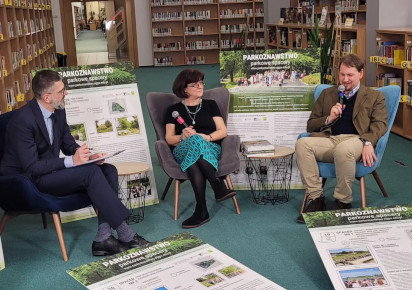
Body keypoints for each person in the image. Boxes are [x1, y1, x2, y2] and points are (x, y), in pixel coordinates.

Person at [0, 70, 149, 255]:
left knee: (107, 169)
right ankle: (125, 232)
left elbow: (68, 143)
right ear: (47, 97)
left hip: (50, 172)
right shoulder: (22, 121)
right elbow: (32, 168)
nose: (66, 93)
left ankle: (103, 237)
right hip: (28, 181)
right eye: (61, 91)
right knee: (91, 173)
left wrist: (88, 156)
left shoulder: (58, 111)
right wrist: (72, 161)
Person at [295, 54, 388, 223]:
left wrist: (367, 142)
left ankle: (343, 201)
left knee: (343, 150)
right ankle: (317, 199)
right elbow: (311, 125)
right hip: (330, 139)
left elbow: (380, 124)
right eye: (342, 74)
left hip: (356, 140)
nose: (345, 79)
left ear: (360, 73)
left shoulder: (375, 96)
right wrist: (329, 119)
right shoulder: (327, 94)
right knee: (302, 144)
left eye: (350, 75)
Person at [165, 69, 236, 229]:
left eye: (201, 82)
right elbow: (169, 138)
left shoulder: (211, 105)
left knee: (197, 144)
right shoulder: (173, 110)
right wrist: (183, 136)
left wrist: (207, 137)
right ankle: (217, 185)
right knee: (194, 139)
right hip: (182, 150)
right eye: (195, 84)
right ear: (184, 89)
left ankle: (201, 210)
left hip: (210, 147)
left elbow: (222, 131)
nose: (200, 86)